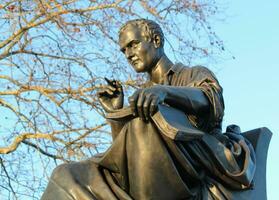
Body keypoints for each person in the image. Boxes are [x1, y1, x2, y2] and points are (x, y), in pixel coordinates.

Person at [41, 19, 256, 200]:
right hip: (145, 176)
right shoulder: (142, 95)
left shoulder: (192, 74)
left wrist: (165, 92)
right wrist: (116, 115)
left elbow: (210, 99)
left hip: (193, 167)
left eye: (133, 45)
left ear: (156, 40)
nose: (128, 54)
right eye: (124, 50)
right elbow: (122, 158)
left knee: (141, 125)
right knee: (66, 174)